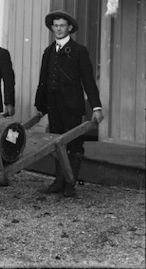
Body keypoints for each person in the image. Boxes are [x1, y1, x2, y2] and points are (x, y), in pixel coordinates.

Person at [35, 10, 104, 198]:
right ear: (52, 28)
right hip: (53, 106)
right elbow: (43, 81)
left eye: (62, 25)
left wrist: (96, 107)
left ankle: (70, 184)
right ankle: (58, 182)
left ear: (70, 28)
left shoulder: (79, 51)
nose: (58, 29)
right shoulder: (48, 51)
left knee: (74, 143)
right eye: (55, 25)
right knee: (57, 142)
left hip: (72, 106)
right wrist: (40, 106)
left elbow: (88, 81)